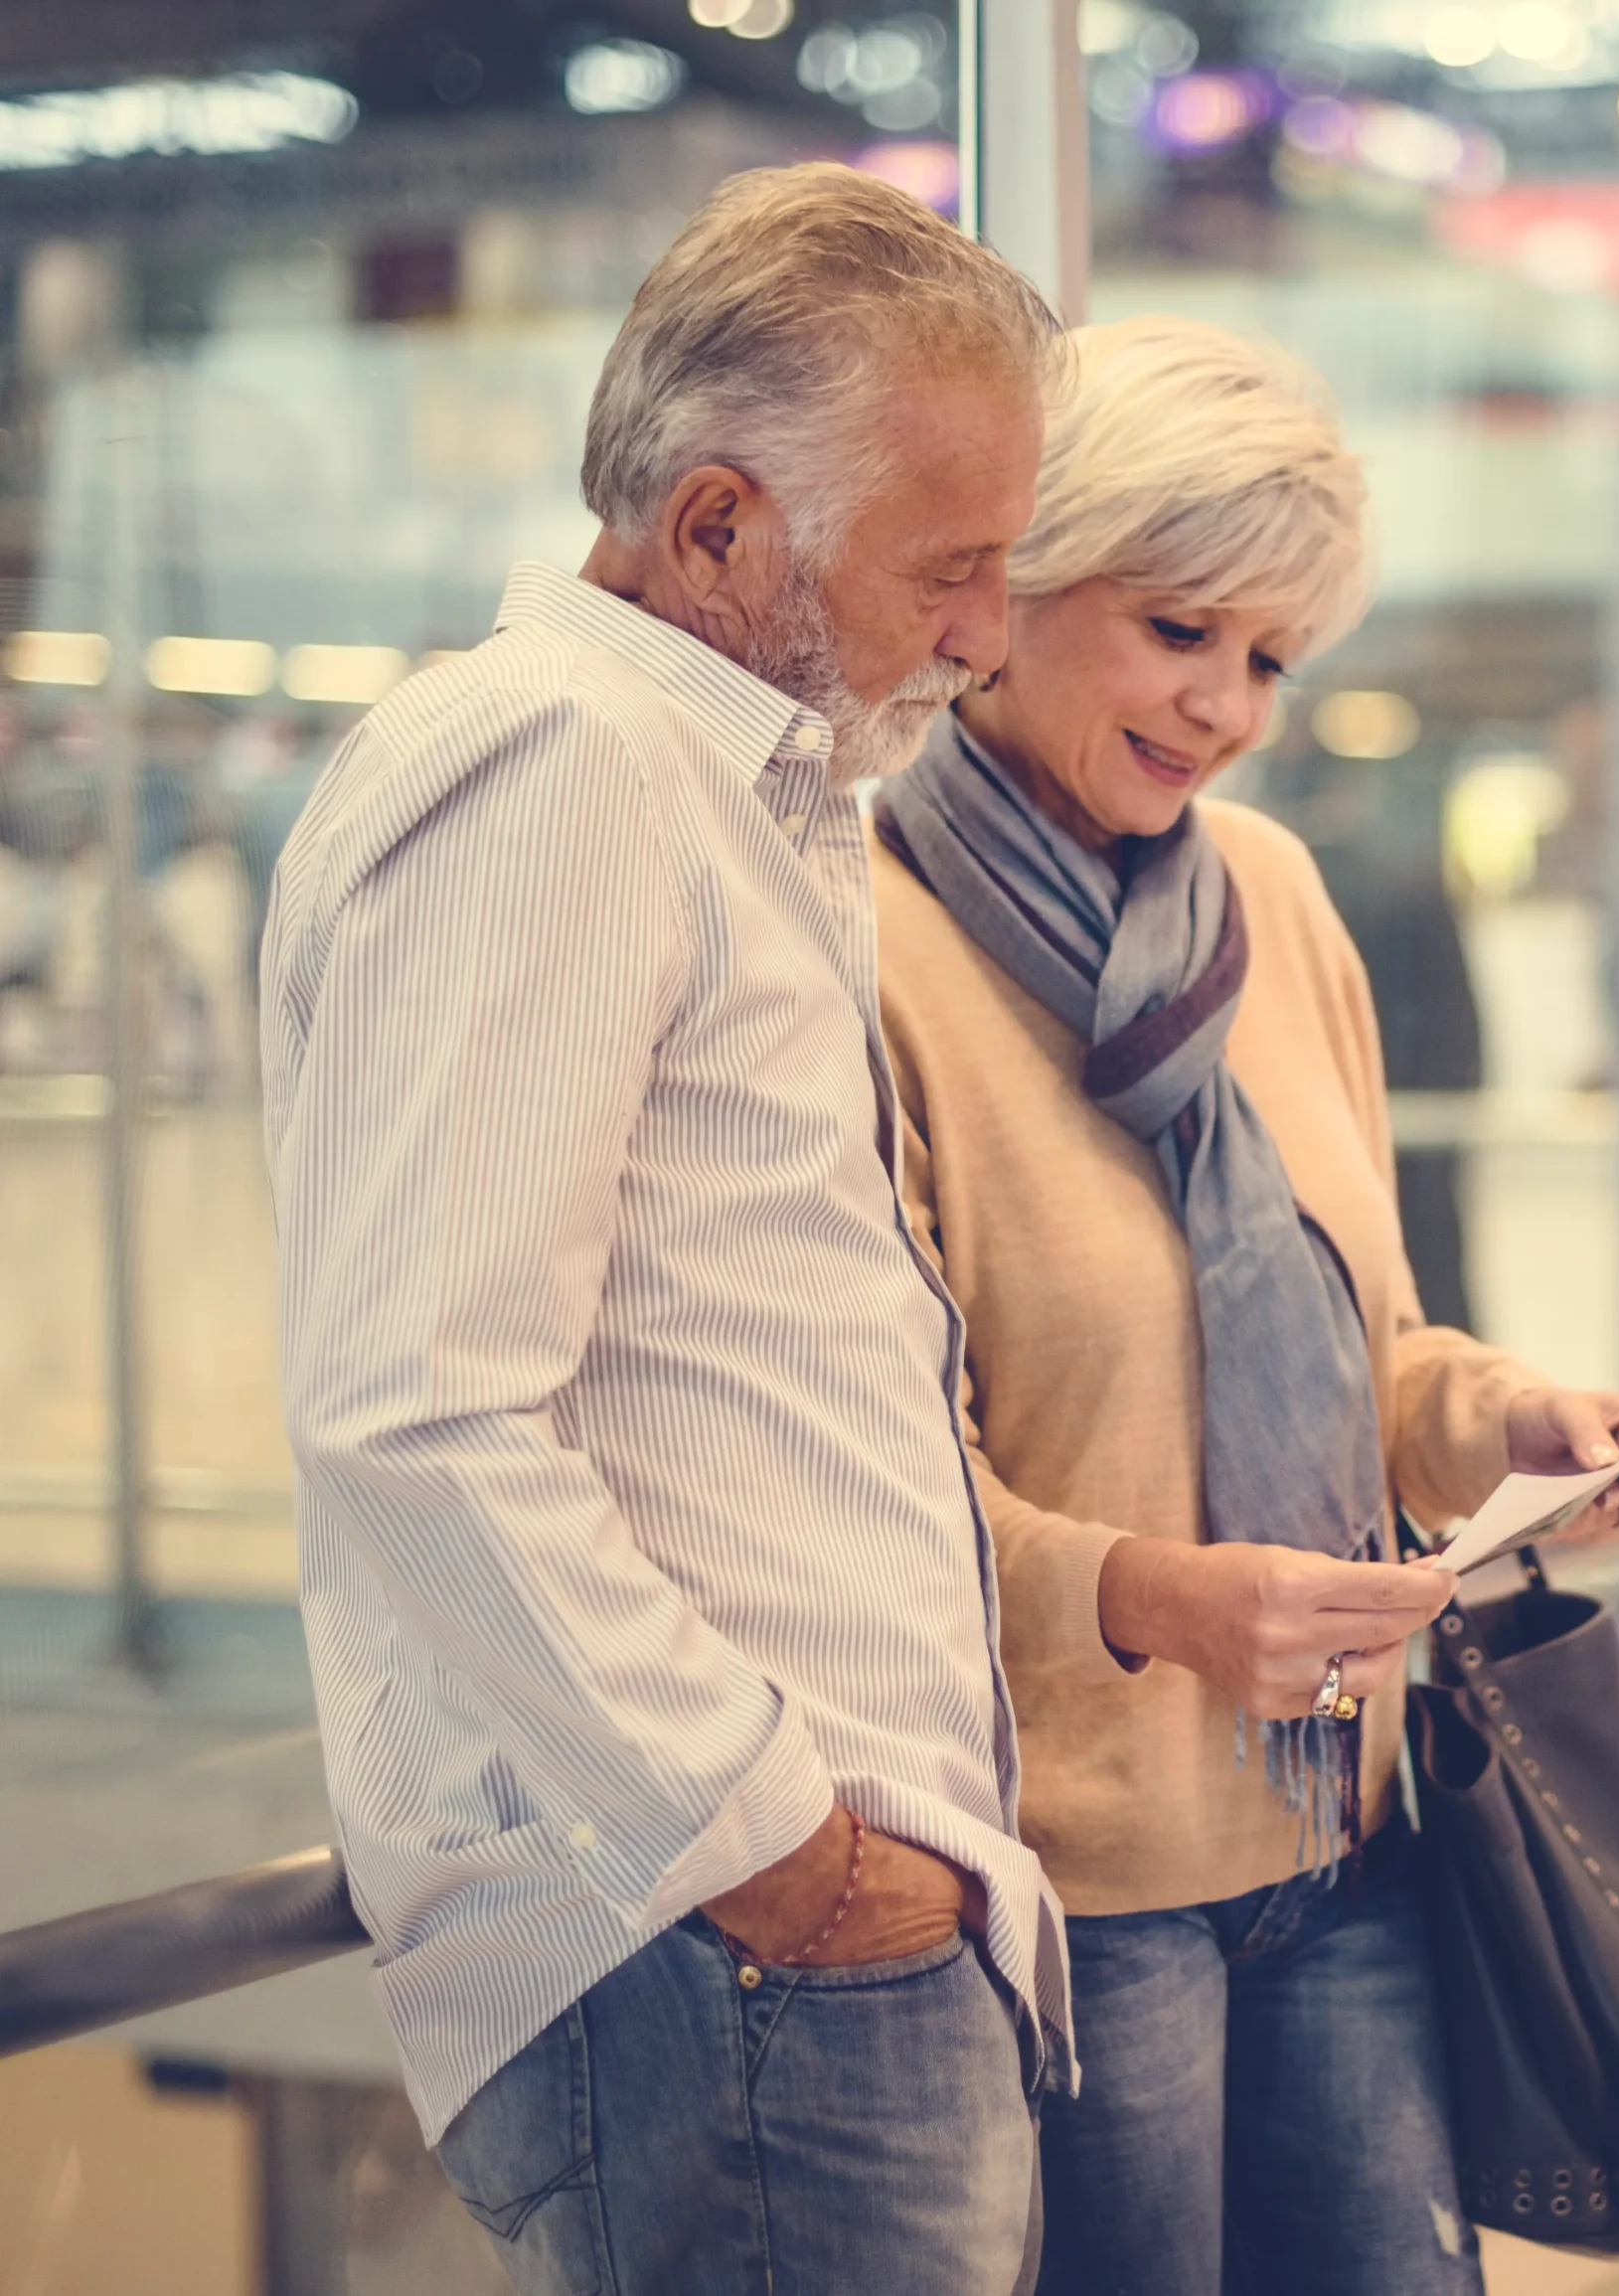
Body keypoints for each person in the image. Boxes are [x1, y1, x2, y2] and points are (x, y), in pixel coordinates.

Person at [260, 164, 1064, 2296]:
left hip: (791, 1942)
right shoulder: (559, 764)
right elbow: (413, 1412)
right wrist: (773, 1853)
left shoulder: (730, 790)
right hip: (724, 1961)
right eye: (952, 565)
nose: (986, 632)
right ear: (715, 527)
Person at [870, 314, 1619, 2296]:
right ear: (1011, 587)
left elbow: (1365, 1339)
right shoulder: (852, 945)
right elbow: (859, 1497)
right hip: (1070, 1886)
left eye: (1266, 658)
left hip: (1348, 1828)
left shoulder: (1271, 900)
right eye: (1178, 631)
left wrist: (1503, 1420)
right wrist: (1156, 1595)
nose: (1226, 706)